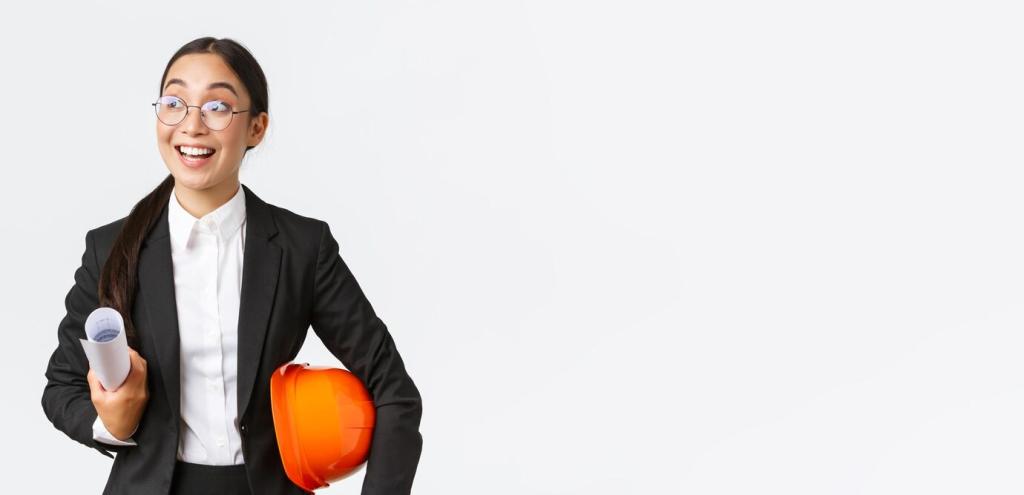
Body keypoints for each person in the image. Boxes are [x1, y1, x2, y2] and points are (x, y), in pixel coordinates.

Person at [40, 37, 424, 495]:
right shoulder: (110, 248)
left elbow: (393, 390)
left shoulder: (302, 247)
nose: (192, 125)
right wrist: (111, 424)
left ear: (257, 128)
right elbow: (61, 387)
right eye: (175, 102)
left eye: (217, 107)